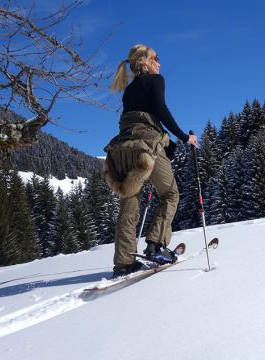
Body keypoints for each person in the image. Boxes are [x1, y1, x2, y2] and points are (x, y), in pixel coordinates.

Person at [103, 44, 198, 277]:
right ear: (145, 62)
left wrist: (171, 144)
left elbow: (141, 121)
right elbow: (160, 110)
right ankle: (156, 245)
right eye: (156, 58)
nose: (160, 63)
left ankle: (124, 261)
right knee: (170, 194)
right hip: (147, 147)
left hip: (122, 147)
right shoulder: (156, 80)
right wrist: (185, 137)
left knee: (130, 198)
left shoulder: (128, 90)